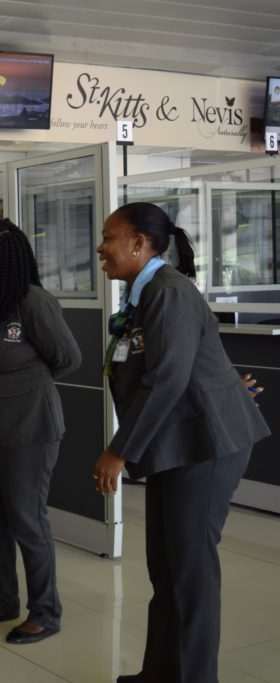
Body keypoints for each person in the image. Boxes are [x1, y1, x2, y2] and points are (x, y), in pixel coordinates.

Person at [92, 202, 269, 683]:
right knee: (166, 567)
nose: (100, 247)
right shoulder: (143, 294)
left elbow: (167, 377)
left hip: (205, 444)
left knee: (190, 573)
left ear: (138, 243)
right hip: (177, 441)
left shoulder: (168, 292)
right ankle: (160, 674)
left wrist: (119, 449)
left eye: (109, 237)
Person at [0, 219, 81, 645]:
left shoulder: (31, 302)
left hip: (26, 427)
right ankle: (3, 599)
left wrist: (20, 384)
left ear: (7, 265)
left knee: (27, 520)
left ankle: (45, 611)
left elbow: (66, 358)